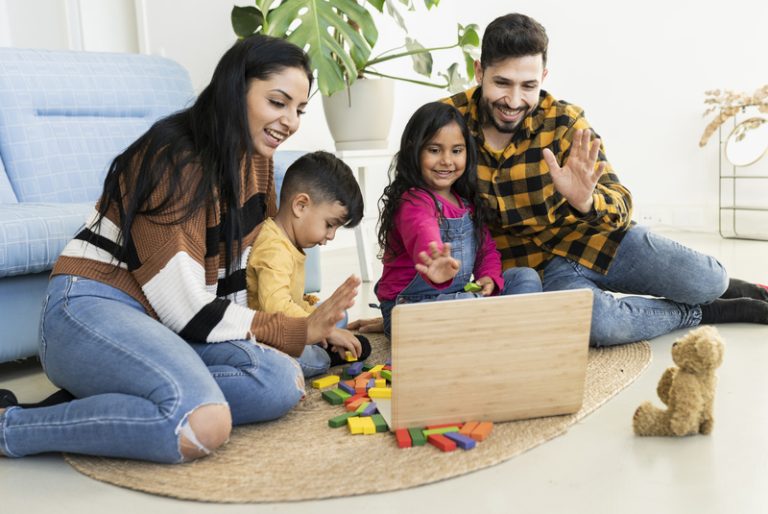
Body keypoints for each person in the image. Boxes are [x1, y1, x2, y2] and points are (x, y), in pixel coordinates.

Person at [0, 35, 360, 463]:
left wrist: (299, 333)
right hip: (90, 307)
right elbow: (184, 308)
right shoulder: (175, 158)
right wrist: (295, 330)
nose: (291, 122)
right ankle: (10, 427)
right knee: (202, 422)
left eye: (299, 110)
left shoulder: (257, 163)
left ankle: (126, 394)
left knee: (280, 379)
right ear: (235, 89)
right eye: (277, 102)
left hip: (165, 325)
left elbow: (233, 286)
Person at [352, 13, 768, 342]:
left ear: (544, 79)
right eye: (502, 83)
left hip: (592, 241)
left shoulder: (565, 122)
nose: (514, 100)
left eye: (528, 85)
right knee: (598, 325)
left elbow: (621, 204)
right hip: (540, 274)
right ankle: (703, 312)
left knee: (707, 279)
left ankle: (723, 289)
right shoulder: (449, 124)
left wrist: (585, 201)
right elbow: (416, 202)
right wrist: (407, 303)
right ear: (479, 71)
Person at [375, 101, 542, 337]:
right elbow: (422, 227)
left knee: (525, 277)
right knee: (466, 304)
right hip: (410, 307)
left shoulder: (468, 205)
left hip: (457, 299)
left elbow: (487, 250)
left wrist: (488, 277)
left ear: (467, 153)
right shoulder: (413, 201)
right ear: (414, 151)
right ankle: (500, 325)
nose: (446, 160)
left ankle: (494, 324)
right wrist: (434, 259)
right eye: (434, 150)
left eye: (456, 151)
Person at [246, 150, 372, 373]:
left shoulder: (289, 242)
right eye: (329, 225)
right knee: (313, 359)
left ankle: (322, 340)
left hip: (290, 324)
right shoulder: (273, 248)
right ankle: (327, 354)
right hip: (268, 337)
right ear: (301, 206)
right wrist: (325, 331)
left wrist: (324, 318)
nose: (331, 236)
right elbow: (276, 309)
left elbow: (293, 301)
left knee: (338, 317)